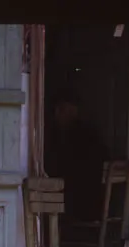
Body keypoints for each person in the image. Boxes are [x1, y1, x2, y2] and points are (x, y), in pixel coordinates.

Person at [45, 87, 110, 226]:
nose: (56, 115)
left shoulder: (80, 137)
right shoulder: (71, 134)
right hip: (89, 206)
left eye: (61, 110)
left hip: (81, 207)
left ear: (73, 111)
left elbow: (66, 172)